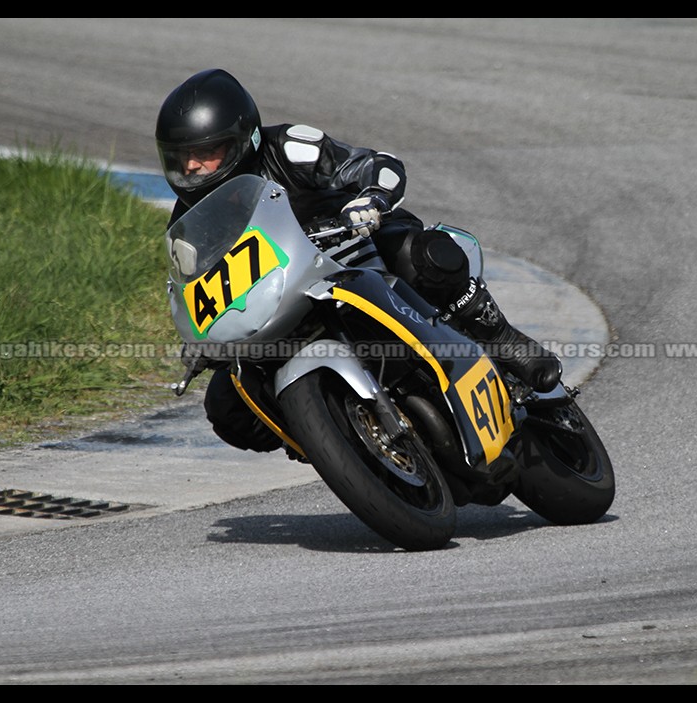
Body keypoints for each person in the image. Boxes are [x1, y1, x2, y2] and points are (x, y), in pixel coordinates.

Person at [156, 68, 561, 453]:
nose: (193, 167)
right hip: (279, 301)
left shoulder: (289, 147)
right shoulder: (189, 224)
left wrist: (370, 199)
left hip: (355, 249)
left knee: (422, 256)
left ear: (244, 139)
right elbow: (192, 291)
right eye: (182, 157)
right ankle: (329, 434)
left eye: (207, 152)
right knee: (227, 406)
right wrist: (199, 339)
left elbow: (377, 165)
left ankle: (500, 337)